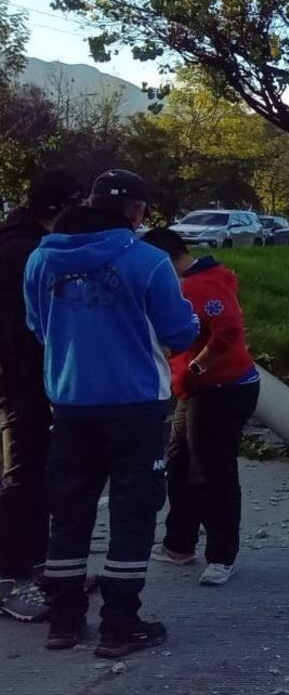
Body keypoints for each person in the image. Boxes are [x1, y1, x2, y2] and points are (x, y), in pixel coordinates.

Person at [24, 170, 199, 656]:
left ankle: (63, 621)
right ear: (138, 212)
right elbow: (181, 334)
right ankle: (119, 626)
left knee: (69, 510)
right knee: (133, 511)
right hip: (136, 406)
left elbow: (39, 327)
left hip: (70, 402)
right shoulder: (149, 261)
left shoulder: (42, 259)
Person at [140, 228, 260, 587]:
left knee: (212, 471)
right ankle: (179, 544)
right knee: (178, 462)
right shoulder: (203, 278)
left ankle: (222, 555)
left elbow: (228, 333)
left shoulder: (200, 286)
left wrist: (196, 367)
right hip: (197, 389)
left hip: (221, 389)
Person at [0, 169, 83, 622]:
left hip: (25, 376)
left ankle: (36, 563)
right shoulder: (25, 253)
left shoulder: (19, 241)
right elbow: (24, 327)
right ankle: (10, 574)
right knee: (23, 472)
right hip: (20, 378)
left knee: (37, 471)